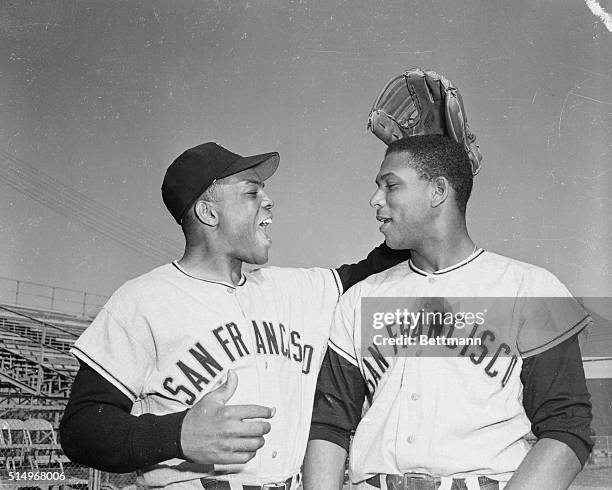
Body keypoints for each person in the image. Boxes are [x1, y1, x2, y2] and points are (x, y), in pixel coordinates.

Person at [59, 142, 411, 489]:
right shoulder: (143, 300)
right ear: (209, 213)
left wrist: (424, 171)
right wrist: (177, 434)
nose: (269, 201)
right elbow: (81, 428)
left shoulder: (297, 290)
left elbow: (381, 266)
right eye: (252, 193)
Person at [304, 135, 593, 490]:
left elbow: (567, 427)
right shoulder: (361, 297)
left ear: (438, 191)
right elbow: (330, 424)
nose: (375, 200)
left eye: (390, 186)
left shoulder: (531, 288)